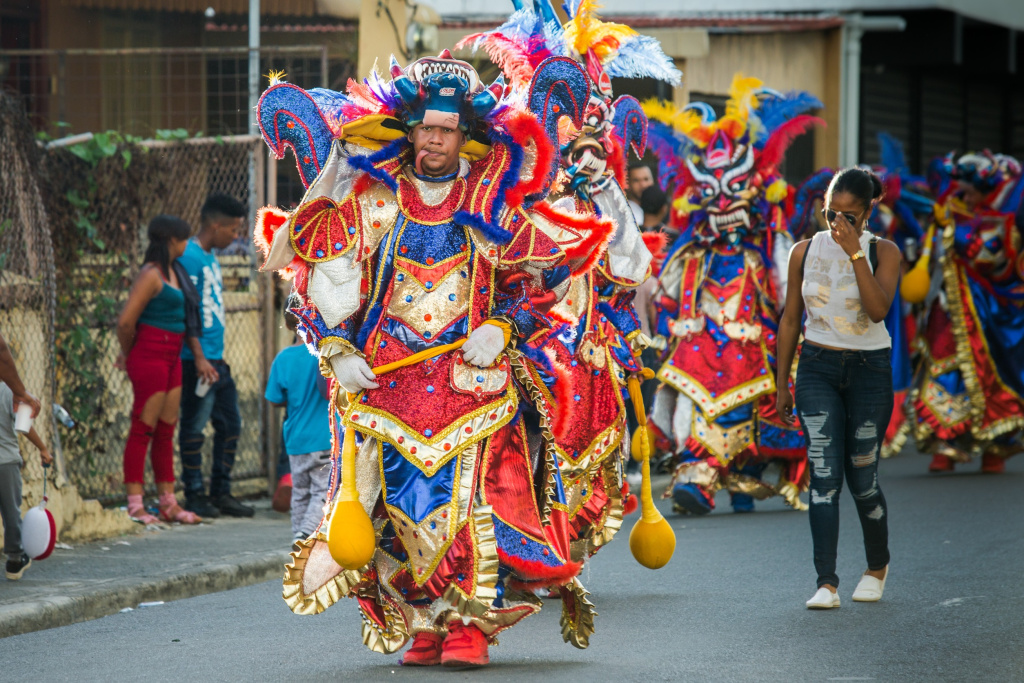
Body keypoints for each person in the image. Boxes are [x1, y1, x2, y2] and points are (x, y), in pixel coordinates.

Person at [258, 50, 614, 667]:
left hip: (473, 387)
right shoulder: (374, 203)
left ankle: (468, 625)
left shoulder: (493, 205)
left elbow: (540, 284)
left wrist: (503, 328)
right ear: (411, 129)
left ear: (464, 135)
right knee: (397, 511)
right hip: (386, 389)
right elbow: (316, 285)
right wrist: (338, 350)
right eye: (425, 127)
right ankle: (423, 621)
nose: (434, 140)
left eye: (446, 130)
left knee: (472, 501)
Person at [645, 77, 817, 515]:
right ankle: (698, 475)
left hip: (753, 346)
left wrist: (792, 337)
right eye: (712, 195)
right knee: (692, 402)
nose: (723, 206)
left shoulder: (772, 246)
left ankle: (745, 471)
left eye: (733, 192)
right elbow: (665, 293)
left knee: (753, 413)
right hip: (699, 345)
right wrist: (668, 326)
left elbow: (787, 295)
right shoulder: (690, 251)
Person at [775, 167, 900, 609]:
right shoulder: (803, 251)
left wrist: (854, 253)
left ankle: (876, 568)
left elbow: (878, 309)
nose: (838, 224)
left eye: (849, 215)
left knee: (862, 479)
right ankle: (826, 583)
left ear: (869, 211)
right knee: (824, 477)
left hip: (869, 370)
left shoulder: (884, 252)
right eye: (831, 213)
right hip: (817, 367)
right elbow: (790, 319)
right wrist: (781, 385)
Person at [910, 151, 1024, 473]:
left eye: (971, 190)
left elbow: (994, 258)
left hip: (996, 313)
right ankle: (944, 446)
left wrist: (958, 235)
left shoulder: (1009, 214)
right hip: (950, 306)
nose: (965, 195)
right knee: (944, 366)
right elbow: (929, 254)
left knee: (997, 374)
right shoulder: (949, 208)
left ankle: (995, 449)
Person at [115, 215, 202, 525]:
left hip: (172, 355)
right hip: (149, 354)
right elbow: (126, 322)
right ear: (170, 241)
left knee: (166, 431)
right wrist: (129, 354)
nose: (187, 244)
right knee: (143, 428)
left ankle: (168, 502)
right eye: (183, 239)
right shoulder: (151, 275)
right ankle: (135, 504)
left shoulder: (175, 272)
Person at [178, 193, 253, 519]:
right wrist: (199, 357)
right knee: (194, 426)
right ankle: (194, 493)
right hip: (197, 361)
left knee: (231, 424)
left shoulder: (209, 257)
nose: (236, 237)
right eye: (234, 230)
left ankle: (221, 492)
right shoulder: (189, 257)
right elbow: (186, 311)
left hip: (217, 359)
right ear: (215, 224)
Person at [265, 300, 332, 544]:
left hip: (295, 440)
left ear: (287, 323)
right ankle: (306, 536)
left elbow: (274, 399)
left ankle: (298, 537)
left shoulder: (282, 359)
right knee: (322, 492)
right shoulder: (324, 355)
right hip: (324, 437)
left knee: (300, 492)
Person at [0, 380, 51, 580]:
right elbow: (23, 426)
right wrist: (43, 448)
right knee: (11, 511)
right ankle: (15, 559)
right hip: (6, 462)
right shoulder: (10, 391)